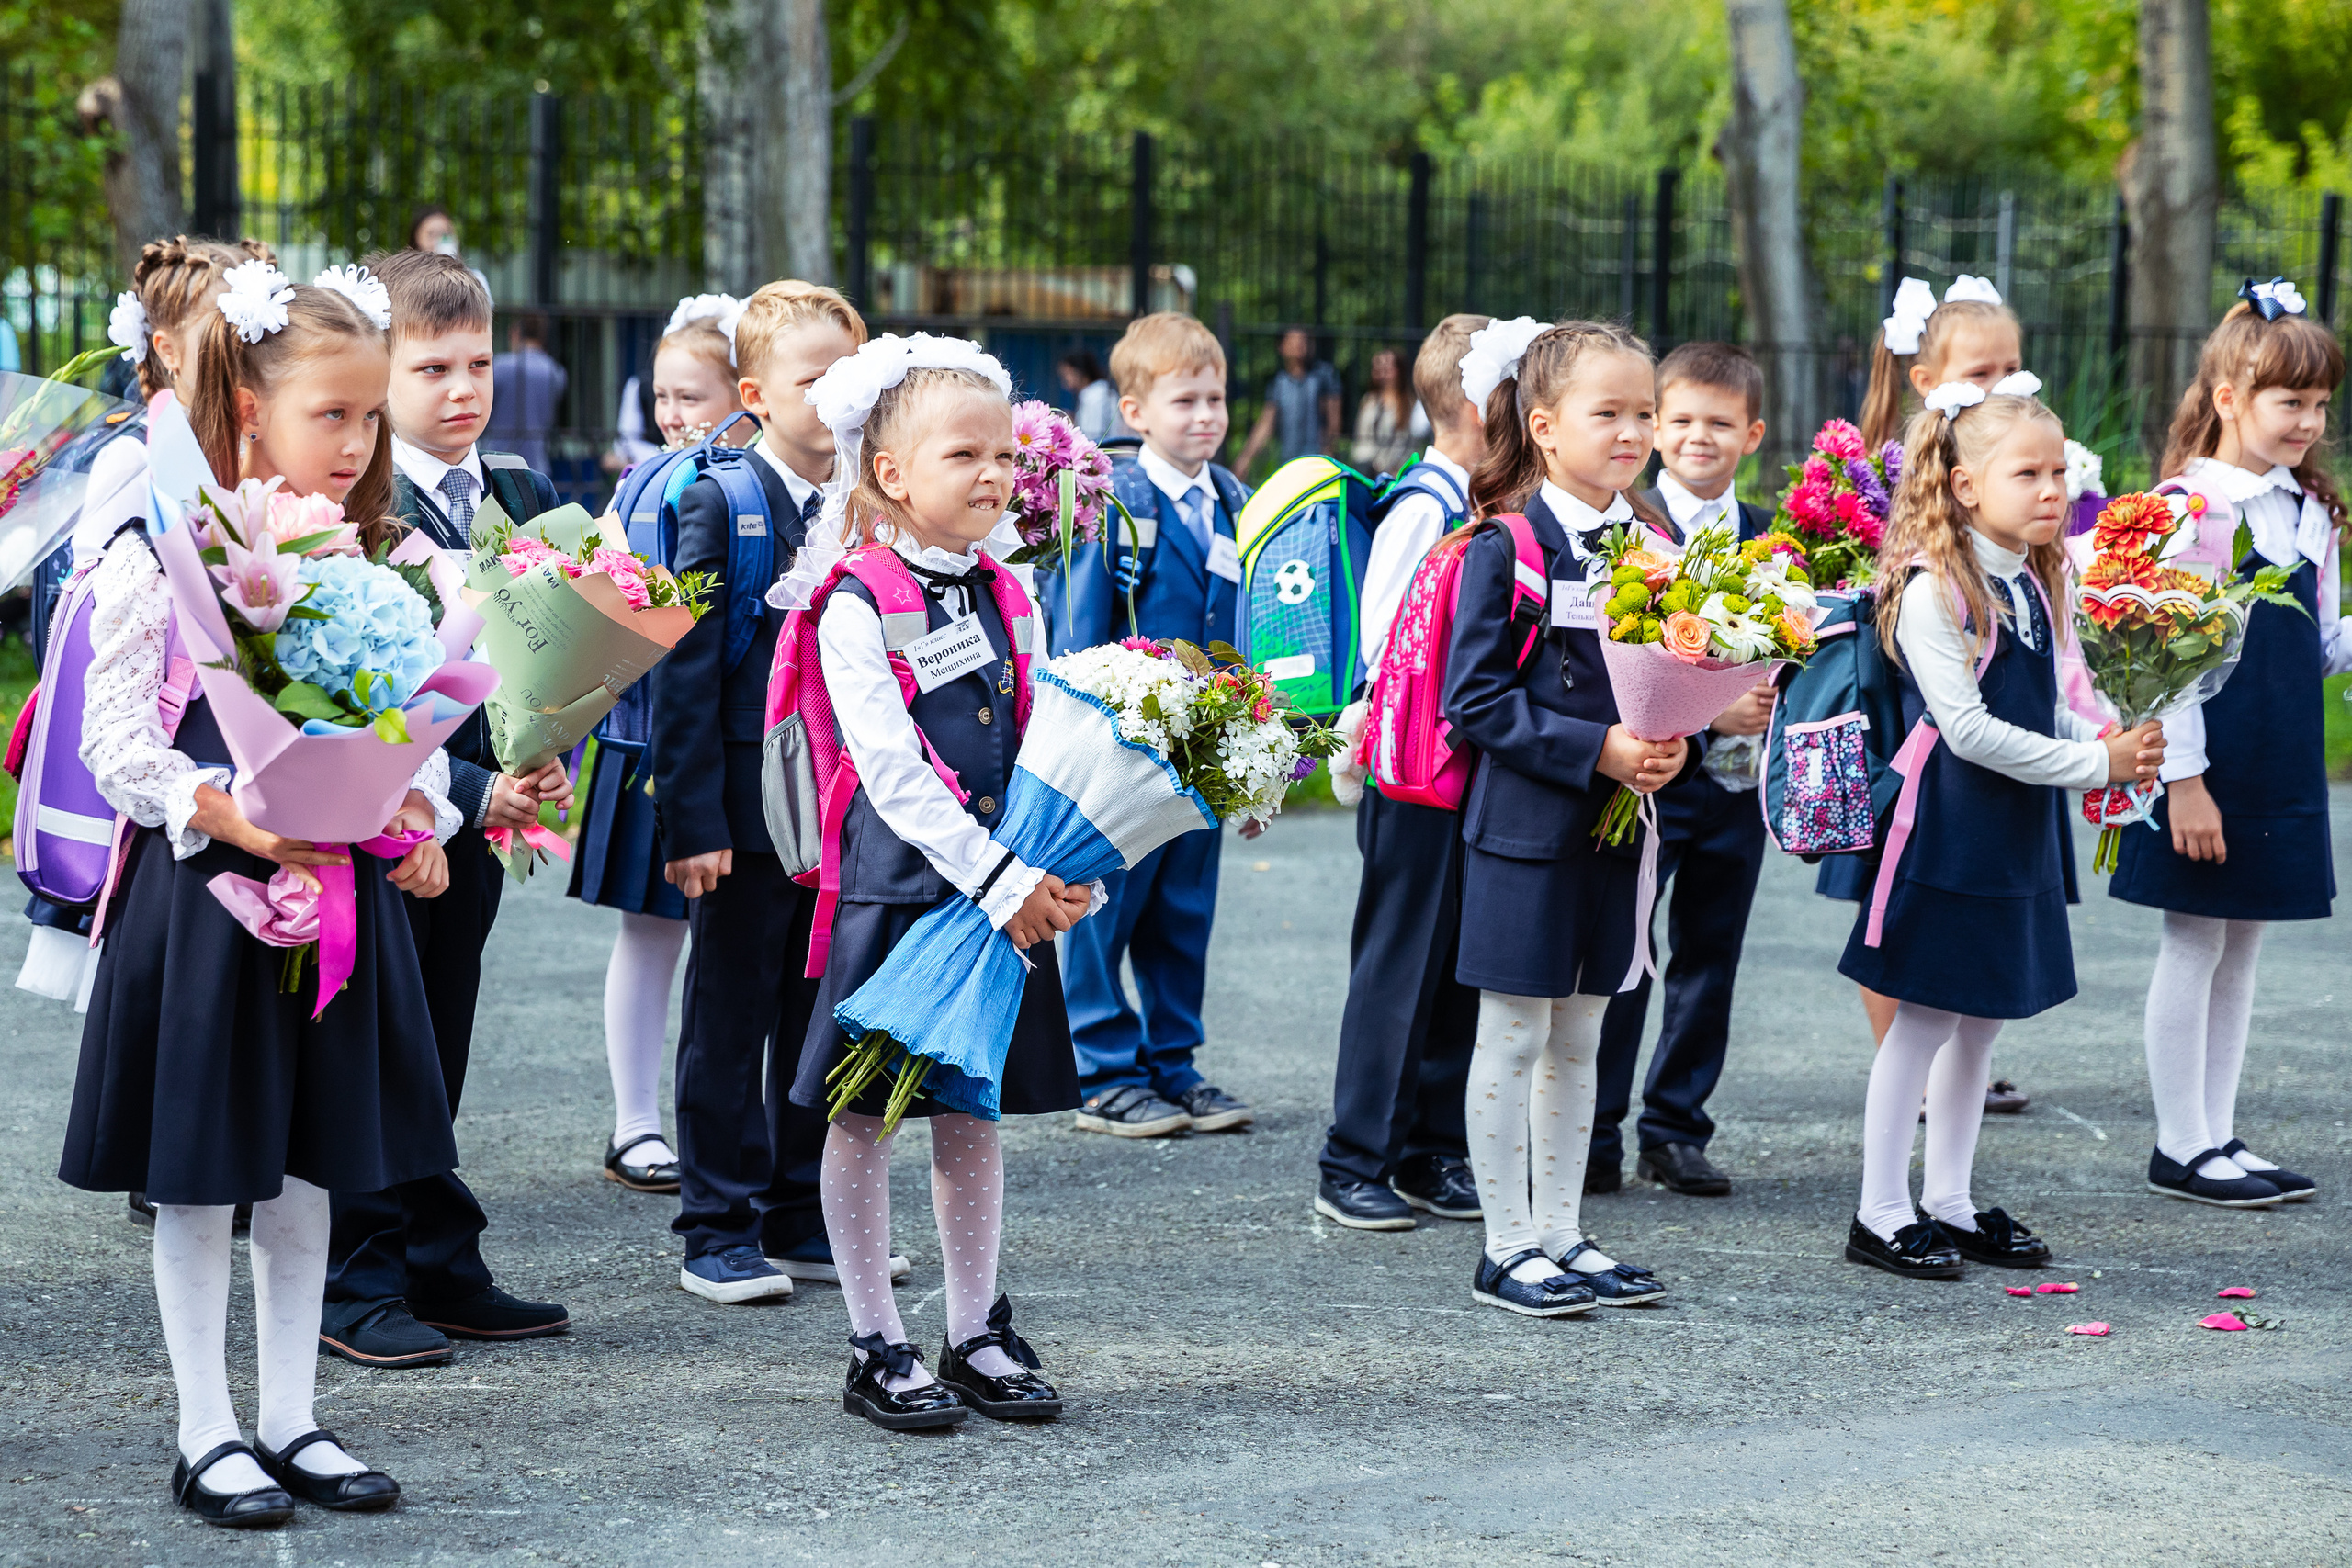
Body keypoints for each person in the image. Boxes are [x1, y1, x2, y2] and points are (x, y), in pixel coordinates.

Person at [59, 266, 459, 1525]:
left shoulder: (384, 556)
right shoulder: (164, 555)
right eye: (330, 415)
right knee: (203, 1170)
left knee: (307, 1167)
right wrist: (219, 806)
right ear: (245, 411)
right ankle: (206, 1427)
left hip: (338, 897)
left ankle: (291, 1414)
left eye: (368, 417)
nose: (357, 443)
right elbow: (113, 736)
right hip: (211, 900)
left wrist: (420, 811)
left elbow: (417, 720)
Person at [786, 335, 1088, 1431]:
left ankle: (972, 1330)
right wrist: (999, 875)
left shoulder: (1013, 594)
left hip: (1002, 889)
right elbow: (892, 775)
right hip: (905, 893)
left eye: (1004, 454)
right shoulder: (854, 599)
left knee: (973, 1108)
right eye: (963, 453)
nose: (994, 475)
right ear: (890, 473)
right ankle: (876, 1341)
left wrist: (1063, 861)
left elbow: (1047, 740)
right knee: (861, 1112)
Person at [1839, 387, 2165, 1280]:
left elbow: (2039, 707)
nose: (2053, 488)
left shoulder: (2025, 577)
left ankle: (1946, 1199)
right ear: (1966, 484)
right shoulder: (1929, 586)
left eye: (2060, 470)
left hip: (2011, 825)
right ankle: (1879, 1211)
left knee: (1979, 1021)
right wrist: (2094, 767)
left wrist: (2096, 741)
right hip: (1943, 827)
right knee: (1922, 1019)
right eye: (2029, 472)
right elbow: (1966, 729)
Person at [315, 250, 574, 1370]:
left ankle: (432, 1253)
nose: (463, 388)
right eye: (432, 369)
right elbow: (347, 687)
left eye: (476, 363)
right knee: (374, 1047)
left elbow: (514, 656)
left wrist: (536, 752)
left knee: (439, 1040)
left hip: (472, 827)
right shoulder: (361, 505)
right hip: (385, 825)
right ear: (384, 372)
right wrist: (466, 787)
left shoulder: (500, 489)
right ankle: (354, 1274)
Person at [650, 281, 900, 1302]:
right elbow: (685, 670)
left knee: (821, 1009)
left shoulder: (867, 502)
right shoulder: (723, 501)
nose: (835, 396)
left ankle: (803, 1209)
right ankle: (717, 1222)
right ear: (753, 392)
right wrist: (692, 822)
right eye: (812, 380)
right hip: (749, 815)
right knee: (730, 1012)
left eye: (851, 374)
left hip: (842, 810)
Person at [1446, 318, 1687, 1317]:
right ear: (1544, 427)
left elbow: (1678, 669)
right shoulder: (1505, 544)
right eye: (1608, 414)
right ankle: (1504, 1245)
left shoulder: (1657, 546)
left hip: (1617, 837)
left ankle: (1562, 1231)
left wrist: (1677, 736)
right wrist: (1597, 749)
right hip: (1526, 835)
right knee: (1510, 1036)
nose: (1632, 433)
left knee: (1583, 1038)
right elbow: (1475, 699)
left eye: (1645, 414)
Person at [2110, 288, 2343, 1207]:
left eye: (2320, 404)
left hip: (2277, 754)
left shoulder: (2308, 508)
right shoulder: (2187, 510)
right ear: (2227, 396)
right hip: (2205, 763)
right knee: (2193, 939)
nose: (2309, 422)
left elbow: (2314, 646)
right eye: (2291, 401)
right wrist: (2187, 782)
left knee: (2241, 946)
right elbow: (2163, 660)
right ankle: (2179, 1144)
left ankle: (2218, 1131)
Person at [1037, 312, 1256, 1138]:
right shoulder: (1115, 501)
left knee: (1183, 908)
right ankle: (1101, 1066)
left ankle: (1174, 1057)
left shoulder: (1232, 499)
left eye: (1217, 399)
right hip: (1127, 748)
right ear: (1135, 413)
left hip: (1204, 751)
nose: (1206, 416)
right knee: (1106, 906)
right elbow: (1082, 623)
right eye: (1185, 401)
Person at [1838, 276, 2036, 1117]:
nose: (2006, 387)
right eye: (1983, 373)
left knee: (1972, 897)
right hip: (1898, 710)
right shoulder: (1884, 469)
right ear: (1928, 380)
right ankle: (1906, 1065)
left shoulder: (2017, 453)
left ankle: (1956, 1067)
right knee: (1892, 901)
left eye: (2014, 368)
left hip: (1985, 700)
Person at [571, 293, 754, 1197]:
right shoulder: (646, 483)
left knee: (741, 953)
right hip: (649, 741)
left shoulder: (750, 482)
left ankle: (723, 1128)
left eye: (693, 396)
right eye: (663, 398)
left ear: (742, 391)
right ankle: (635, 1123)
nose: (674, 416)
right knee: (648, 936)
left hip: (718, 742)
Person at [1315, 312, 1488, 1231]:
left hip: (1467, 769)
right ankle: (1355, 1156)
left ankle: (1430, 1146)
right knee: (1398, 963)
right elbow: (1383, 640)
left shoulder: (1482, 502)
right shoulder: (1425, 504)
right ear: (1473, 405)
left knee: (1456, 962)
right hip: (1415, 767)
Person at [1590, 343, 1774, 1201]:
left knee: (1711, 954)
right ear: (1657, 430)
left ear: (1752, 434)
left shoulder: (1775, 536)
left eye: (1721, 423)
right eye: (1685, 420)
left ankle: (1675, 1126)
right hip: (1654, 777)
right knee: (1628, 956)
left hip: (1738, 790)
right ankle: (1593, 1129)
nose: (1701, 437)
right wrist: (1707, 715)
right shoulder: (1631, 525)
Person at [1237, 325, 1341, 478]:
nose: (1298, 345)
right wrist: (1245, 459)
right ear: (1281, 347)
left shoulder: (1323, 377)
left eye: (1302, 341)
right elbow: (1265, 424)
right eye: (1292, 341)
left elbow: (1334, 421)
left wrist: (1329, 451)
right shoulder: (1279, 383)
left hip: (1318, 461)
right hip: (1289, 461)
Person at [487, 313, 566, 477]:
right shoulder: (555, 372)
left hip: (497, 461)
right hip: (537, 466)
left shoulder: (500, 367)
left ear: (515, 333)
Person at [1349, 346, 1416, 475]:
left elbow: (1405, 442)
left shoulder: (1408, 403)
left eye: (1387, 366)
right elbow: (1360, 436)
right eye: (1378, 366)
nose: (1382, 371)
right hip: (1364, 467)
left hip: (1392, 471)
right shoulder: (1369, 400)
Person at [1057, 348, 1131, 443]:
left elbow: (1093, 435)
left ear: (1079, 372)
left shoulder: (1095, 395)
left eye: (1066, 374)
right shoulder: (1098, 390)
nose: (1064, 380)